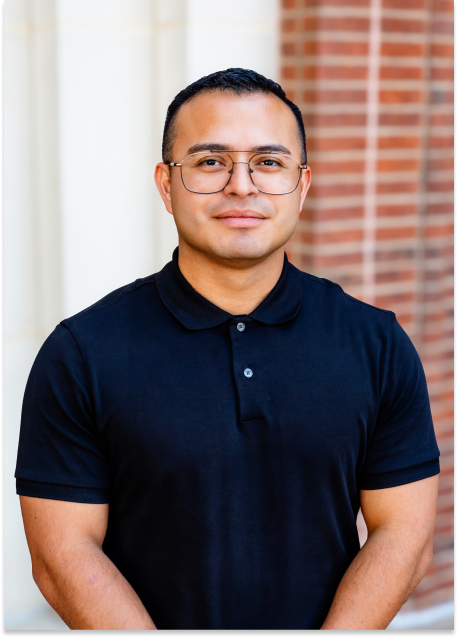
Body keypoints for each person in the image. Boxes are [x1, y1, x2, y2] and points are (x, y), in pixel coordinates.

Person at [16, 68, 440, 631]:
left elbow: (404, 537)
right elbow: (62, 555)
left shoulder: (376, 343)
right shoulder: (81, 354)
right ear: (167, 185)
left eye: (268, 162)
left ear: (302, 185)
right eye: (211, 162)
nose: (242, 185)